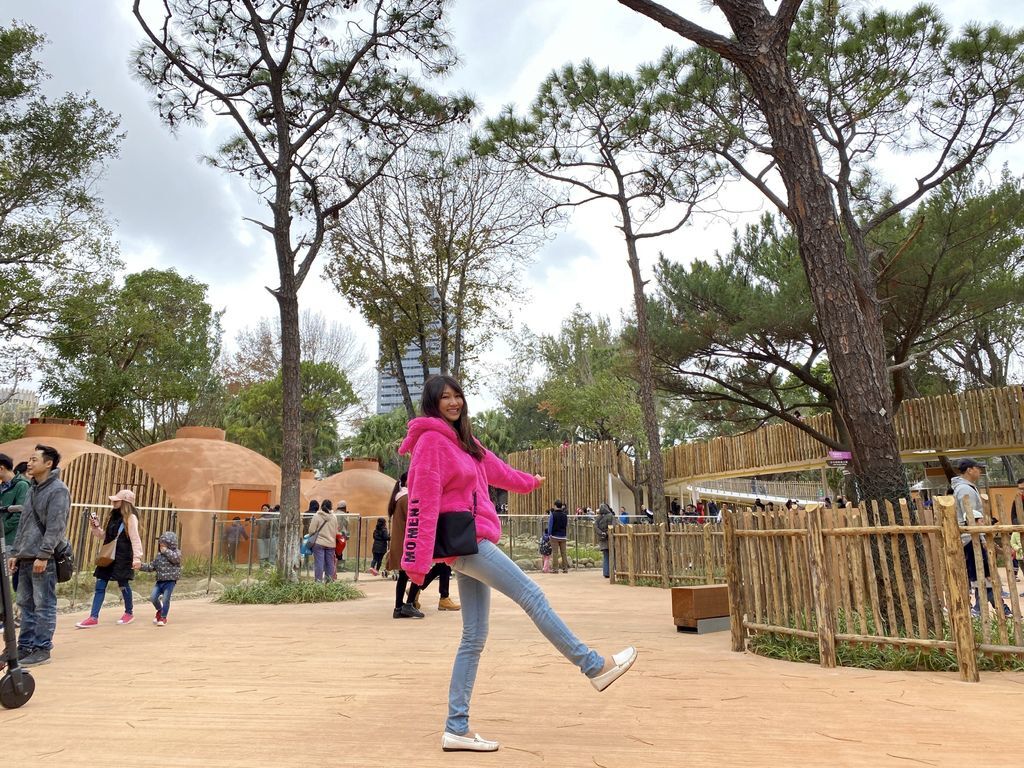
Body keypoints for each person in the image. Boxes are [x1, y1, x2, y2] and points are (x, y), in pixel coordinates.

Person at [400, 374, 636, 752]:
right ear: (432, 403)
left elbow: (498, 471)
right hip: (468, 541)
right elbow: (422, 499)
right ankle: (594, 666)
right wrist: (416, 559)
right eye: (445, 398)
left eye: (457, 395)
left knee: (473, 636)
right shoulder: (430, 442)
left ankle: (455, 728)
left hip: (473, 540)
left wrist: (530, 482)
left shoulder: (465, 442)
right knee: (532, 595)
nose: (454, 402)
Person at [6, 444, 70, 667]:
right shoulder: (33, 489)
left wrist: (44, 555)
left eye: (34, 459)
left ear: (48, 463)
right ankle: (24, 646)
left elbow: (56, 526)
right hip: (25, 555)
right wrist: (16, 551)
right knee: (25, 603)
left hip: (44, 558)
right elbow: (24, 523)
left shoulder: (58, 490)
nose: (29, 463)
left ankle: (42, 648)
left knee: (43, 603)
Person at [76, 489, 144, 628]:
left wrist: (137, 558)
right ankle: (93, 617)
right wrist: (96, 527)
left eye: (116, 500)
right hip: (108, 556)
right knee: (100, 584)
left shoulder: (131, 517)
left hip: (123, 556)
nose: (113, 502)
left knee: (123, 584)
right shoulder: (112, 516)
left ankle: (129, 612)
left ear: (125, 502)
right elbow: (105, 536)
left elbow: (135, 538)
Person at [951, 459, 1007, 617]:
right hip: (971, 538)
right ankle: (991, 607)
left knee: (980, 574)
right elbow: (971, 517)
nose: (980, 471)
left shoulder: (967, 487)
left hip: (973, 536)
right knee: (981, 573)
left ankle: (984, 606)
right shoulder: (964, 490)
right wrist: (982, 538)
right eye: (978, 468)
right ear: (969, 470)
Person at [386, 474, 425, 619]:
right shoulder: (408, 499)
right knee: (419, 572)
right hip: (409, 544)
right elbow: (416, 520)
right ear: (406, 482)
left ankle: (398, 607)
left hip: (400, 543)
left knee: (403, 576)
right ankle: (408, 604)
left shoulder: (398, 498)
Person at [139, 531, 181, 626]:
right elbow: (151, 566)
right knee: (153, 598)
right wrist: (140, 566)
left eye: (164, 543)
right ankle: (159, 610)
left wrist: (166, 551)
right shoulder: (159, 556)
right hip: (160, 581)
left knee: (166, 599)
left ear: (170, 544)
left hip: (170, 581)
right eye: (160, 543)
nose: (161, 545)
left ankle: (163, 617)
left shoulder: (176, 553)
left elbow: (176, 559)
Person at [308, 499, 339, 582]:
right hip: (331, 544)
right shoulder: (334, 517)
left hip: (319, 543)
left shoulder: (317, 516)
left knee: (319, 564)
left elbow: (311, 531)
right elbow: (336, 531)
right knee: (330, 564)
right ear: (331, 507)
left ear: (321, 506)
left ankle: (318, 582)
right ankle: (329, 583)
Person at [547, 500, 570, 573]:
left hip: (554, 536)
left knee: (555, 553)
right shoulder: (564, 515)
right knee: (564, 553)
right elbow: (566, 525)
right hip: (563, 536)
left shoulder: (553, 514)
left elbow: (550, 525)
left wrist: (549, 534)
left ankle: (555, 569)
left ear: (555, 506)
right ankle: (565, 568)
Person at [594, 503, 616, 579]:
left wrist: (602, 533)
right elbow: (613, 526)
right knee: (612, 555)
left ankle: (606, 572)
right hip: (610, 538)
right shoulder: (611, 516)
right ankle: (613, 571)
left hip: (602, 539)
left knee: (606, 556)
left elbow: (596, 527)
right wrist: (607, 533)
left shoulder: (598, 518)